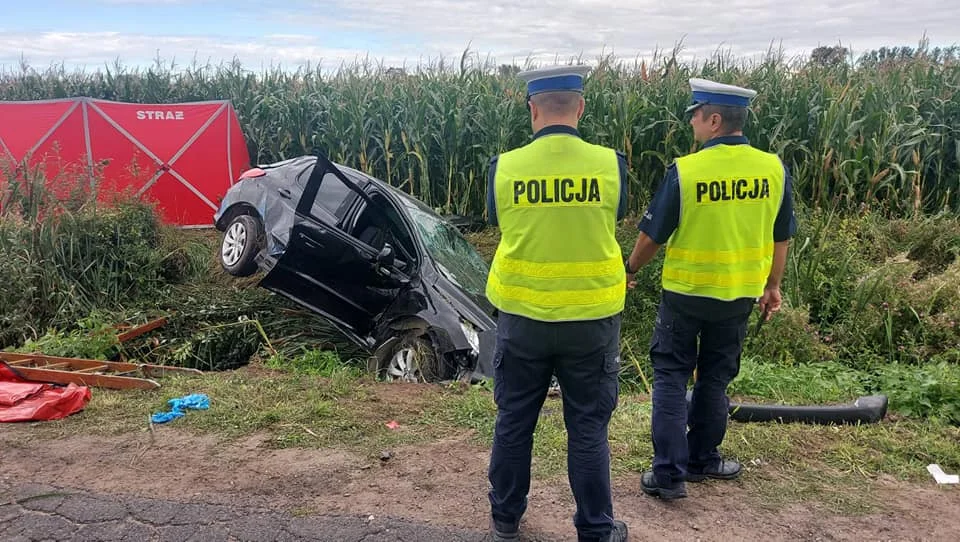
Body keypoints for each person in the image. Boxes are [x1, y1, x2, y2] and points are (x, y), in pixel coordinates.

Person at [623, 78, 797, 500]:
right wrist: (772, 286)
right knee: (715, 379)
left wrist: (629, 269)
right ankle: (704, 459)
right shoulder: (773, 169)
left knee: (669, 376)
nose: (692, 122)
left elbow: (653, 235)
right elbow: (781, 237)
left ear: (714, 120)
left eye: (695, 114)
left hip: (685, 293)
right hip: (738, 295)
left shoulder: (687, 170)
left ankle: (668, 474)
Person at [484, 65, 630, 542]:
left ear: (533, 109)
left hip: (522, 319)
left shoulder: (504, 167)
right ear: (581, 107)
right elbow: (617, 216)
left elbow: (495, 220)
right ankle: (595, 529)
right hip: (591, 321)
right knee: (587, 427)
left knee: (514, 420)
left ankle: (505, 521)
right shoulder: (611, 164)